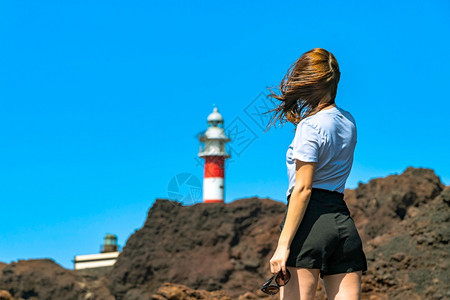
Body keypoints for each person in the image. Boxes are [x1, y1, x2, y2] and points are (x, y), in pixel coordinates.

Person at [263, 48, 368, 300]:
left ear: (309, 82)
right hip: (343, 224)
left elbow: (303, 189)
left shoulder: (310, 126)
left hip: (310, 223)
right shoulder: (349, 121)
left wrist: (283, 245)